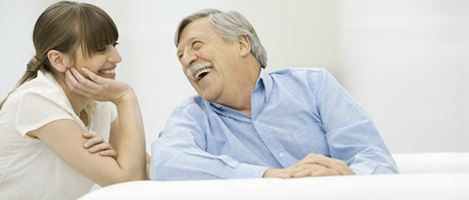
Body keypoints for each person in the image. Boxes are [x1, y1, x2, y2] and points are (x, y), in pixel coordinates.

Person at [150, 8, 398, 180]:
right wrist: (268, 176)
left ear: (241, 45)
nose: (187, 60)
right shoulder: (192, 115)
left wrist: (348, 178)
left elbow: (374, 158)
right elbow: (166, 163)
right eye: (180, 55)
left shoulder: (313, 85)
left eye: (196, 45)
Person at [0, 1, 148, 199]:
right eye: (101, 49)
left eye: (114, 45)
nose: (117, 57)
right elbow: (131, 185)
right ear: (59, 60)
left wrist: (123, 160)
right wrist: (126, 97)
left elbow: (145, 171)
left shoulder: (98, 104)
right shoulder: (36, 101)